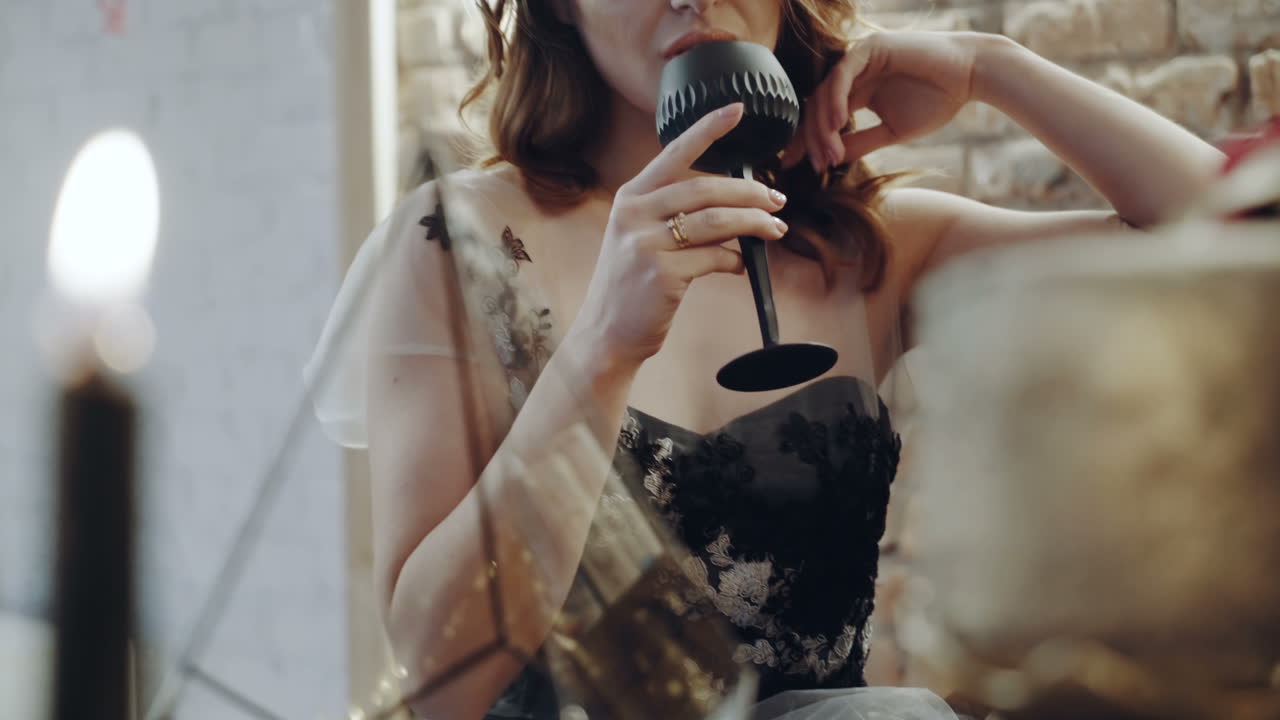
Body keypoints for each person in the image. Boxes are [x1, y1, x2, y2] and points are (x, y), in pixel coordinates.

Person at [303, 0, 1226, 717]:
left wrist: (993, 68)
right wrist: (601, 352)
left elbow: (1233, 243)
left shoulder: (871, 246)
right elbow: (439, 677)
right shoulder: (459, 240)